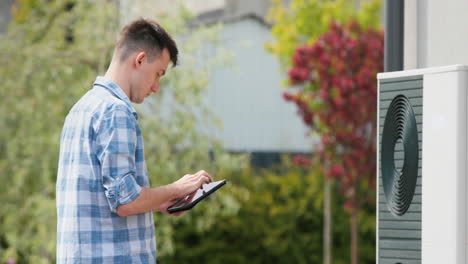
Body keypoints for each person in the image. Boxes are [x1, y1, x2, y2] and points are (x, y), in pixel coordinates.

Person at [56, 18, 212, 263]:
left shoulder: (81, 109)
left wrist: (161, 201)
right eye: (158, 74)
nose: (156, 87)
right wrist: (179, 188)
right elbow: (124, 201)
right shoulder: (115, 111)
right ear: (140, 60)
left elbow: (108, 198)